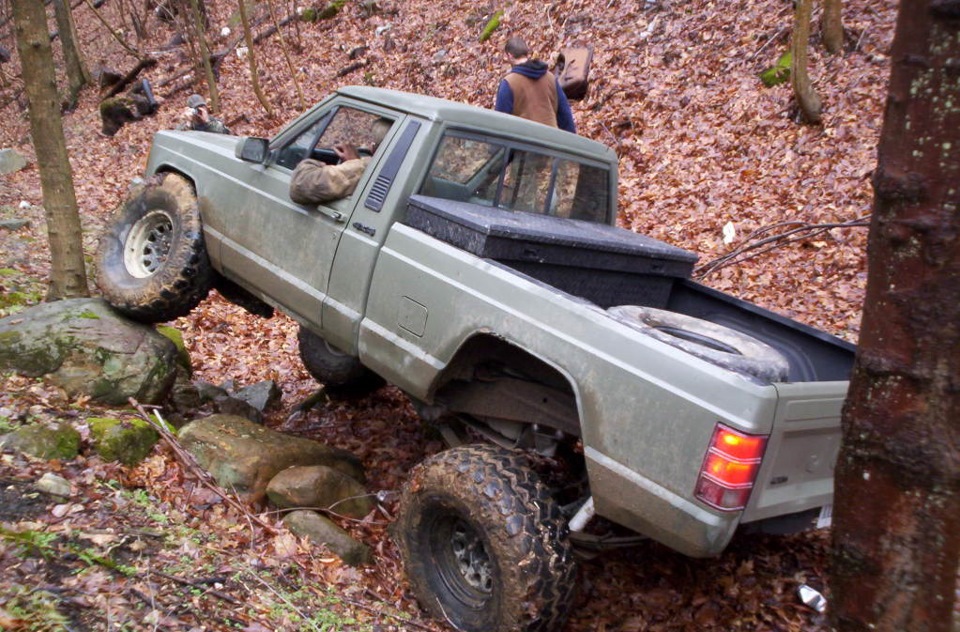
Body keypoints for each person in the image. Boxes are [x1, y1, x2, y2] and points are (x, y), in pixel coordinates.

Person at [289, 118, 391, 205]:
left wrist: (354, 164)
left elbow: (299, 185)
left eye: (372, 143)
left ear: (374, 148)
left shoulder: (366, 168)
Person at [495, 37, 576, 134]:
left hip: (526, 145)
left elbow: (500, 125)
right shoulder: (550, 78)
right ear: (526, 53)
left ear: (509, 55)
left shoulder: (508, 83)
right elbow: (566, 117)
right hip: (553, 142)